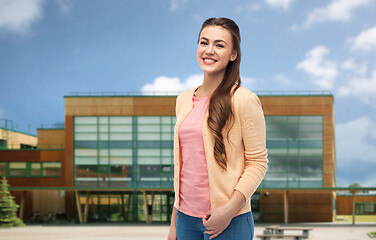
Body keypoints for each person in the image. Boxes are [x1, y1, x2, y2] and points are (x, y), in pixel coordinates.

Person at [167, 17, 268, 240]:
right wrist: (174, 222)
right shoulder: (183, 100)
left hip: (230, 221)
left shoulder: (244, 100)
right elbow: (185, 166)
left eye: (219, 45)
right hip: (185, 219)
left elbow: (257, 163)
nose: (209, 50)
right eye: (204, 42)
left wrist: (229, 210)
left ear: (233, 55)